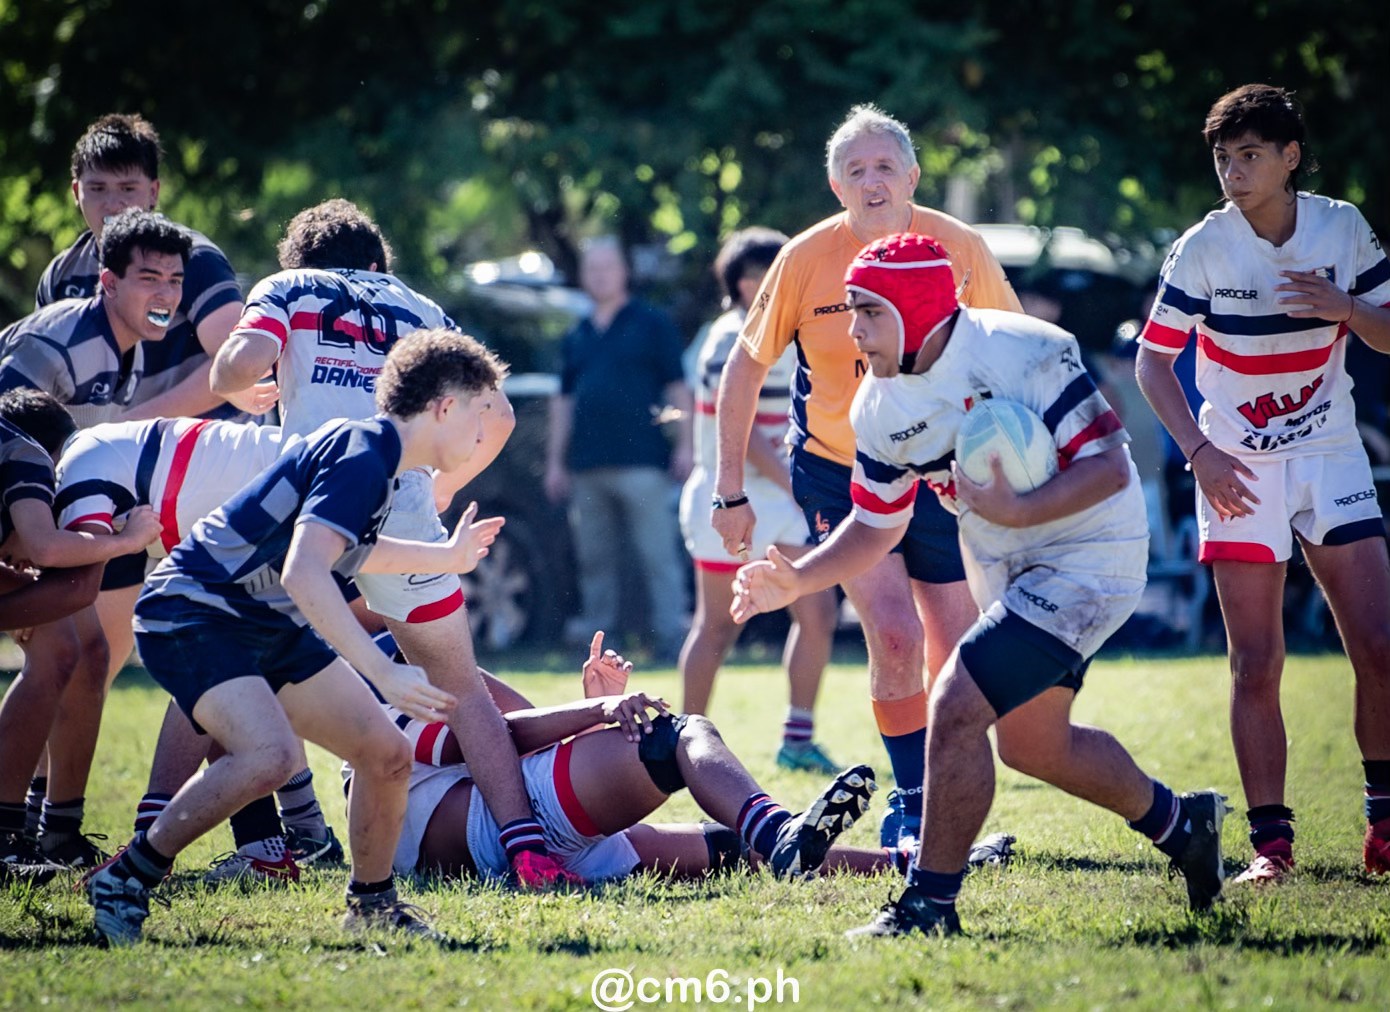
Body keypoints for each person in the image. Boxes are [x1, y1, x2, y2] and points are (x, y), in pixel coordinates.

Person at [732, 233, 1227, 937]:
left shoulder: (1028, 350)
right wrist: (798, 579)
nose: (853, 330)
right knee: (1032, 745)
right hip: (1006, 563)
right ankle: (1186, 826)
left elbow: (1113, 470)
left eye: (868, 312)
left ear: (915, 309)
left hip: (1090, 554)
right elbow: (876, 526)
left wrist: (1020, 510)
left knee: (957, 704)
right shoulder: (877, 404)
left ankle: (928, 905)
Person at [82, 328, 502, 946]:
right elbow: (306, 569)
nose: (484, 430)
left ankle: (372, 905)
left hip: (261, 620)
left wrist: (446, 555)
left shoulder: (378, 457)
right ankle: (127, 875)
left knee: (386, 755)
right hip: (196, 609)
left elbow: (348, 552)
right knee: (270, 756)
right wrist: (382, 671)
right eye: (481, 411)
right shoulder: (365, 454)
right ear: (445, 407)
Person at [208, 199, 572, 887]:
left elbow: (241, 359)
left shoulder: (287, 289)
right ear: (376, 262)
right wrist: (443, 483)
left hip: (311, 511)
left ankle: (236, 840)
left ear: (302, 264)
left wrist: (240, 386)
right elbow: (500, 412)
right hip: (403, 511)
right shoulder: (421, 306)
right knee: (462, 687)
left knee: (225, 665)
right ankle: (527, 849)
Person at [712, 105, 1022, 846]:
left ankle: (949, 804)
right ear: (834, 183)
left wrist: (1016, 462)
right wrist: (730, 490)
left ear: (913, 176)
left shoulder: (959, 247)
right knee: (891, 634)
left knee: (956, 646)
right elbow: (744, 368)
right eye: (857, 169)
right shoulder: (804, 257)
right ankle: (913, 807)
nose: (873, 181)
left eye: (886, 167)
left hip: (940, 473)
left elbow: (1016, 352)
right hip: (838, 474)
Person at [1135, 84, 1390, 884]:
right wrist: (1200, 454)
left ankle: (1383, 828)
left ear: (1289, 158)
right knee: (1256, 660)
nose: (1234, 171)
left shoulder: (1341, 228)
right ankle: (1270, 847)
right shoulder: (1204, 246)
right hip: (1238, 466)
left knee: (1381, 647)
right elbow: (1152, 361)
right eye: (1223, 157)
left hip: (1332, 455)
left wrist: (1345, 306)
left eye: (1250, 155)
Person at [373, 633, 879, 883]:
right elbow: (489, 737)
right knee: (677, 736)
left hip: (509, 834)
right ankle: (779, 832)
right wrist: (599, 707)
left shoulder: (410, 641)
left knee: (733, 846)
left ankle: (904, 861)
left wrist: (589, 713)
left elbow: (519, 727)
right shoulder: (382, 660)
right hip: (497, 830)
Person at [678, 228, 839, 773]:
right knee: (719, 626)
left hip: (781, 498)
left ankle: (797, 737)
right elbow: (748, 437)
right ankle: (682, 743)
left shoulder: (780, 332)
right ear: (749, 283)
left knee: (817, 611)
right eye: (780, 270)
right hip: (733, 496)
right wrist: (803, 486)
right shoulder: (731, 337)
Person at [0, 390, 161, 879]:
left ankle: (37, 831)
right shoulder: (28, 457)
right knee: (63, 637)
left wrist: (33, 594)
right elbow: (49, 550)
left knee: (70, 647)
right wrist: (127, 540)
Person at [35, 113, 271, 422]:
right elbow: (46, 379)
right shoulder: (60, 276)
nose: (113, 203)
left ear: (154, 192)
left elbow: (236, 362)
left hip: (212, 445)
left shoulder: (193, 258)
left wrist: (127, 427)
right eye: (97, 188)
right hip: (116, 454)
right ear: (76, 192)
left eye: (128, 188)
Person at [544, 236, 693, 662]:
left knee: (658, 556)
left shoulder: (652, 324)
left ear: (624, 272)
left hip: (643, 461)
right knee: (594, 563)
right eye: (593, 268)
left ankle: (671, 640)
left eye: (607, 267)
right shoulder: (578, 333)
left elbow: (679, 388)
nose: (600, 275)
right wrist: (556, 462)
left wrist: (686, 444)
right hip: (586, 465)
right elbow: (563, 401)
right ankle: (600, 651)